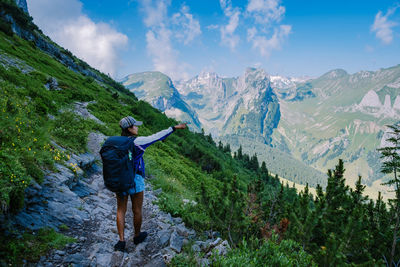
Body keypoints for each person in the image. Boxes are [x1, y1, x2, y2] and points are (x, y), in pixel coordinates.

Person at [114, 116, 187, 252]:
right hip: (135, 179)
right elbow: (157, 137)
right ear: (129, 128)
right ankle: (137, 236)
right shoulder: (138, 142)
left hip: (120, 179)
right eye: (135, 126)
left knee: (120, 209)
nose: (137, 127)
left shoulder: (116, 142)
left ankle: (121, 241)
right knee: (137, 210)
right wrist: (173, 128)